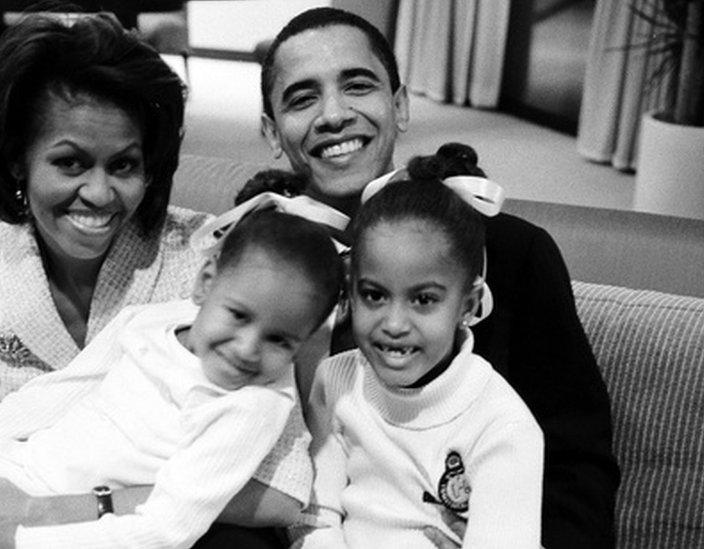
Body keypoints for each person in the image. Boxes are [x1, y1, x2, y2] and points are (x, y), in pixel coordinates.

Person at [0, 11, 307, 549]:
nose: (99, 194)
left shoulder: (210, 271)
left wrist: (51, 514)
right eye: (70, 163)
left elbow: (278, 491)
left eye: (123, 165)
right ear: (18, 161)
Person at [258, 7, 619, 548]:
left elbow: (575, 469)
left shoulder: (510, 253)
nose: (333, 114)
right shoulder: (254, 262)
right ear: (271, 132)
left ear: (400, 105)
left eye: (358, 85)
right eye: (303, 98)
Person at [0, 210, 345, 549]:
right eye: (238, 315)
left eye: (281, 341)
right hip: (20, 466)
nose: (249, 349)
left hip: (84, 527)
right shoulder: (153, 320)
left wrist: (22, 535)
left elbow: (169, 526)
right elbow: (65, 388)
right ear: (205, 281)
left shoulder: (252, 407)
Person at [294, 155, 544, 548]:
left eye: (423, 300)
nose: (394, 324)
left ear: (468, 303)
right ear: (350, 289)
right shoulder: (335, 381)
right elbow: (316, 518)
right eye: (374, 295)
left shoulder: (502, 423)